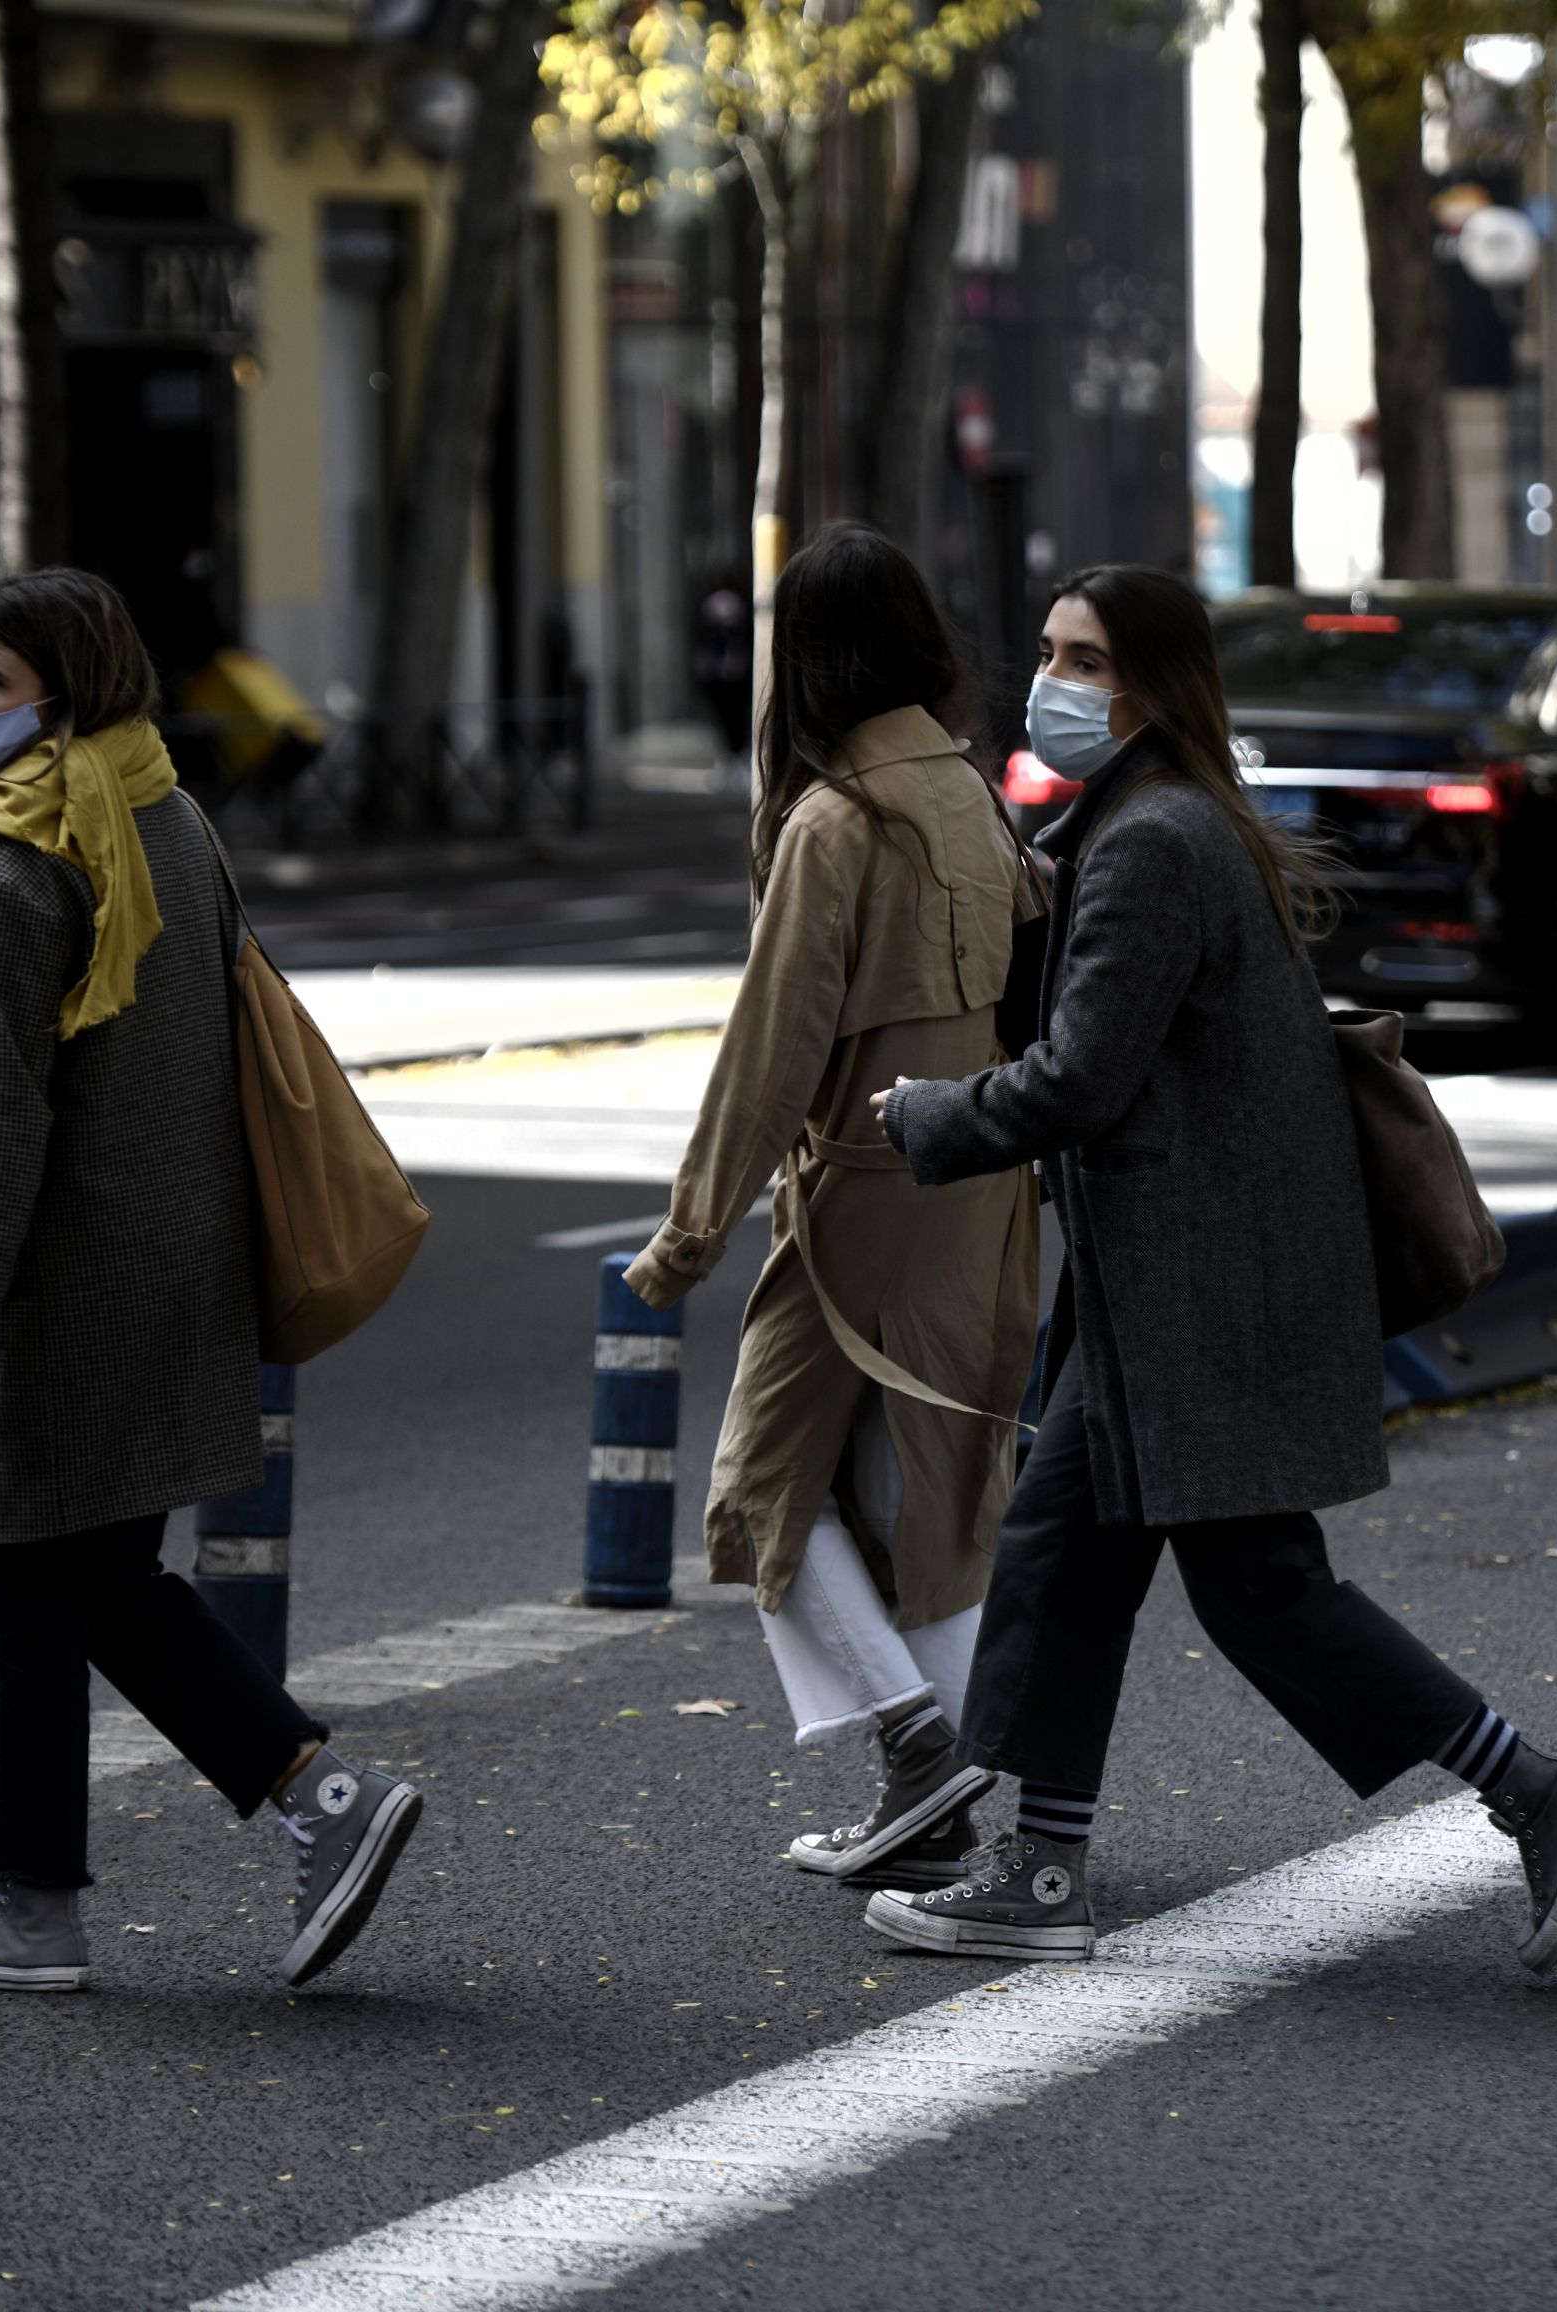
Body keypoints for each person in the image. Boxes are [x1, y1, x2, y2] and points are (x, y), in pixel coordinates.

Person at [867, 564, 1557, 1972]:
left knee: (1076, 1559)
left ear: (1151, 685)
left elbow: (1082, 1081)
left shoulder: (1155, 839)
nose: (1054, 680)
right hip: (1193, 1275)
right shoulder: (1155, 818)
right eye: (1045, 650)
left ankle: (1047, 1871)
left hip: (1192, 1287)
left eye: (1085, 659)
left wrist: (922, 1118)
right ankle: (1535, 1792)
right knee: (1228, 1583)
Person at [0, 567, 419, 1996]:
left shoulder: (23, 864)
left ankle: (69, 1894)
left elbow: (0, 1115)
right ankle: (257, 1819)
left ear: (66, 694)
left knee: (38, 1569)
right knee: (87, 1578)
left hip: (68, 1281)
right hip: (181, 1261)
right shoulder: (172, 821)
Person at [623, 524, 1044, 1891]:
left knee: (763, 1493)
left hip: (861, 1204)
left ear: (802, 662)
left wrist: (689, 1232)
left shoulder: (836, 821)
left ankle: (923, 1756)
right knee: (923, 1494)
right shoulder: (972, 797)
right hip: (982, 1193)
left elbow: (771, 1056)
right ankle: (943, 1799)